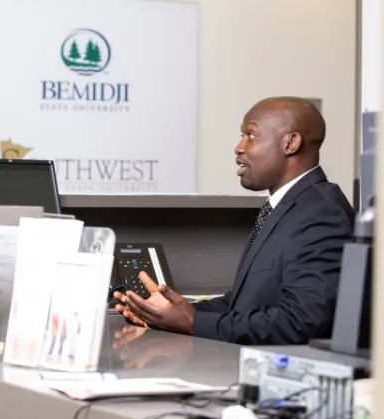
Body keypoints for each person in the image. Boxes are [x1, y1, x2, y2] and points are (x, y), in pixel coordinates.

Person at [115, 97, 354, 345]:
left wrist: (193, 323)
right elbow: (245, 303)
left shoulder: (321, 212)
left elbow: (302, 320)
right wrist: (166, 313)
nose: (239, 148)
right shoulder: (287, 206)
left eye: (251, 135)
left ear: (291, 143)